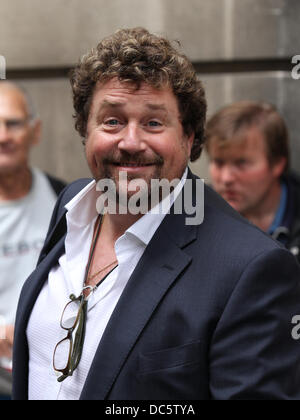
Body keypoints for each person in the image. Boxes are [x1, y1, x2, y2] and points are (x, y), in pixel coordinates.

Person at [13, 28, 300, 400]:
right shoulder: (71, 207)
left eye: (153, 123)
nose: (130, 142)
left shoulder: (251, 268)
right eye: (112, 120)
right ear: (85, 128)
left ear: (189, 137)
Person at [0, 81, 66, 398]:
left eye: (12, 123)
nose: (2, 136)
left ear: (35, 131)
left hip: (52, 377)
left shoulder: (66, 202)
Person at [206, 101, 300, 262]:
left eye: (241, 163)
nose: (226, 178)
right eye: (219, 162)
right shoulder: (196, 214)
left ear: (277, 164)